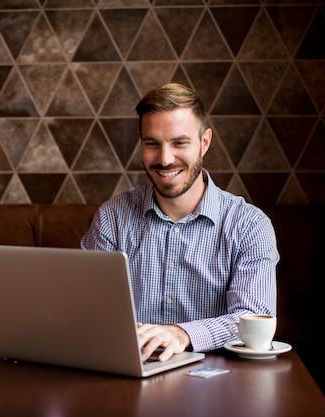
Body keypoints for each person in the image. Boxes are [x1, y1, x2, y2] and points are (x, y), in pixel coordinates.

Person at [80, 83, 279, 362]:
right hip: (127, 377)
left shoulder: (249, 225)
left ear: (205, 142)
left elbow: (251, 318)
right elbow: (85, 308)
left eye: (179, 143)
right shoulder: (112, 217)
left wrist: (182, 334)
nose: (165, 159)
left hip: (219, 384)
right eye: (152, 144)